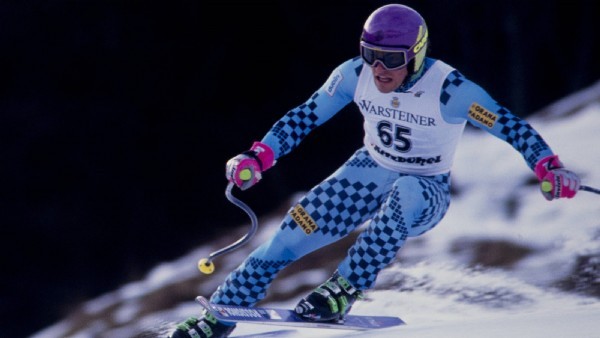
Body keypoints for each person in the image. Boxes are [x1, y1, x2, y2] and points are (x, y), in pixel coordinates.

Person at [170, 4, 581, 338]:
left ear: (416, 55)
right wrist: (258, 156)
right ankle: (217, 318)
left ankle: (344, 287)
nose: (379, 68)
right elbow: (305, 117)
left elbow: (508, 125)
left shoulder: (451, 91)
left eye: (391, 59)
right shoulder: (353, 75)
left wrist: (548, 166)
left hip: (426, 190)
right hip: (366, 173)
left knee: (406, 189)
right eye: (371, 54)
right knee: (283, 241)